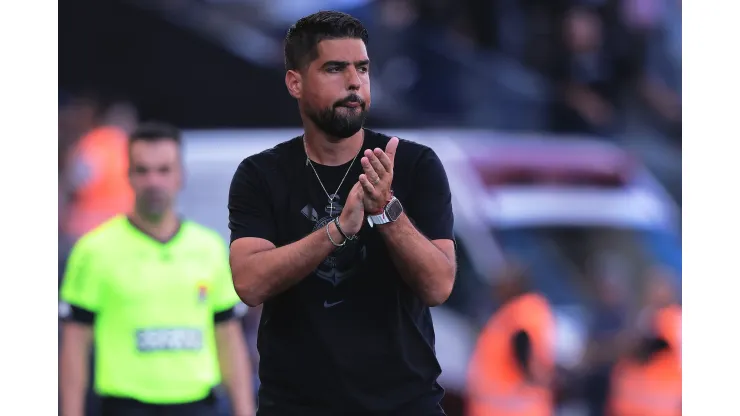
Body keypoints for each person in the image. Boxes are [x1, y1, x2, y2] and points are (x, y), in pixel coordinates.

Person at [227, 11, 457, 416]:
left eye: (362, 69)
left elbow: (439, 286)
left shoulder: (414, 164)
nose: (354, 81)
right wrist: (337, 230)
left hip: (405, 405)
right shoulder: (260, 174)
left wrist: (386, 211)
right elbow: (249, 283)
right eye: (335, 68)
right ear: (295, 82)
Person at [59, 122, 255, 416]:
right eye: (143, 170)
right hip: (125, 406)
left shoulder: (209, 248)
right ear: (128, 175)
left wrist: (244, 410)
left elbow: (229, 340)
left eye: (163, 170)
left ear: (180, 176)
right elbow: (74, 348)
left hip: (198, 405)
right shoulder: (93, 251)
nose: (153, 181)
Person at [466, 263, 556, 416]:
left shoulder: (524, 308)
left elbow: (524, 340)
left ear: (515, 284)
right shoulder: (510, 310)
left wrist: (529, 375)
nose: (497, 286)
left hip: (514, 408)